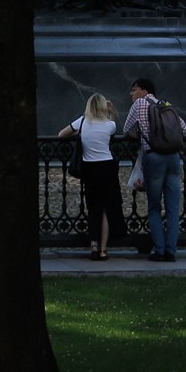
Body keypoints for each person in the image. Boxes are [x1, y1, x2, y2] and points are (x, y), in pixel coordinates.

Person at [121, 77, 182, 262]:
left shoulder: (140, 104)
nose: (131, 94)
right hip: (173, 157)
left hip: (153, 157)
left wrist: (139, 134)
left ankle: (160, 250)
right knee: (172, 207)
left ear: (144, 92)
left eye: (134, 90)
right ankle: (171, 250)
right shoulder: (165, 104)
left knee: (154, 206)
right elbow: (184, 129)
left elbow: (126, 129)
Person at [58, 95, 123, 259]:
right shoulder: (109, 124)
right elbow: (113, 127)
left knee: (93, 208)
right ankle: (103, 249)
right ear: (103, 107)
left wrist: (80, 135)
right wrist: (111, 112)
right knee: (106, 209)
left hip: (89, 168)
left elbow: (61, 135)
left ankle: (93, 245)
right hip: (107, 167)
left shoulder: (81, 122)